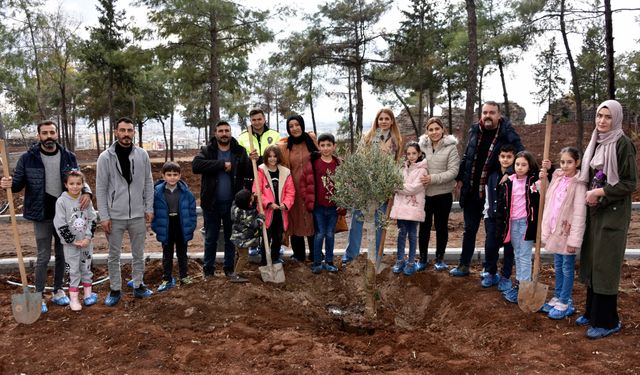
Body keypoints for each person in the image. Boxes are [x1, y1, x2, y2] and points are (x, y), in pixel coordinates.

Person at [1, 120, 92, 313]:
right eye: (45, 133)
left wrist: (87, 192)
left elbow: (79, 179)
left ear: (57, 134)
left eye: (52, 132)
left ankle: (59, 290)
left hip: (65, 215)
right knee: (43, 256)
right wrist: (7, 183)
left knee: (62, 255)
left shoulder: (68, 156)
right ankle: (39, 294)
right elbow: (17, 185)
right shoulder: (28, 158)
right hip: (41, 214)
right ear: (38, 135)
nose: (48, 136)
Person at [576, 100, 637, 339]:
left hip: (612, 214)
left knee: (606, 265)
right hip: (595, 211)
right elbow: (591, 175)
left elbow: (630, 183)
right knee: (592, 260)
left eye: (607, 117)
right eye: (599, 116)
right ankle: (592, 312)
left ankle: (608, 321)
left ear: (617, 119)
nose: (602, 121)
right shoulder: (597, 141)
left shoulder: (623, 144)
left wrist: (600, 192)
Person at [451, 101, 524, 277]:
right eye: (485, 112)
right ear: (480, 115)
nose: (488, 116)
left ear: (499, 115)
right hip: (472, 190)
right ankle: (464, 264)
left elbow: (521, 156)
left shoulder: (507, 133)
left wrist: (511, 172)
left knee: (493, 232)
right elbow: (468, 156)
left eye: (492, 112)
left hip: (493, 192)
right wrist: (460, 177)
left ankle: (490, 269)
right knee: (469, 229)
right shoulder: (475, 131)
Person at [97, 117, 155, 306]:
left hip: (138, 214)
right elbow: (101, 188)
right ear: (115, 132)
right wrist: (104, 216)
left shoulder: (142, 155)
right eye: (122, 130)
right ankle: (115, 289)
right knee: (114, 255)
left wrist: (149, 207)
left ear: (133, 133)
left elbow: (148, 182)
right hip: (114, 216)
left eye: (129, 130)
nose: (126, 134)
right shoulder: (105, 157)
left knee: (138, 253)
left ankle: (138, 285)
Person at [192, 120, 253, 281]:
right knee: (211, 237)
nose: (224, 133)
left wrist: (255, 160)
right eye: (221, 131)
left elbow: (248, 170)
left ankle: (228, 269)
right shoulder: (207, 150)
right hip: (211, 202)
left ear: (230, 132)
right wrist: (221, 164)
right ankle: (209, 271)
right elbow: (196, 166)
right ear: (215, 133)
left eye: (227, 130)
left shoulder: (240, 151)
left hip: (233, 203)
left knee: (229, 238)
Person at [342, 108, 403, 265]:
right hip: (365, 185)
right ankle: (351, 255)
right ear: (376, 121)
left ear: (392, 121)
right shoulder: (368, 138)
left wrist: (392, 184)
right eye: (380, 118)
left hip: (383, 188)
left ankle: (375, 257)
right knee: (357, 219)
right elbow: (359, 159)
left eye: (386, 118)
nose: (383, 121)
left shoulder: (396, 141)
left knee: (378, 222)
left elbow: (397, 164)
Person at [538, 147, 586, 319]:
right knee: (558, 265)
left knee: (567, 267)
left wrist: (574, 240)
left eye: (570, 162)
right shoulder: (558, 178)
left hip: (568, 233)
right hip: (555, 230)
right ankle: (557, 296)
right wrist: (543, 179)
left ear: (577, 163)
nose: (565, 166)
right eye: (563, 162)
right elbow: (547, 196)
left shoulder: (579, 184)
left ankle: (565, 301)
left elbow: (580, 214)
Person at [496, 151, 540, 303]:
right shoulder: (509, 181)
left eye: (524, 165)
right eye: (517, 164)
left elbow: (542, 191)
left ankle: (524, 288)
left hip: (526, 223)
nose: (520, 167)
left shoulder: (533, 182)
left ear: (530, 166)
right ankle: (520, 284)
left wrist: (547, 170)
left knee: (524, 256)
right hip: (512, 223)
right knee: (517, 254)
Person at [417, 117, 459, 271]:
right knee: (424, 227)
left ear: (443, 130)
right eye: (431, 129)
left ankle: (440, 258)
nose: (434, 132)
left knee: (441, 227)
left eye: (437, 129)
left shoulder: (451, 148)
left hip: (443, 195)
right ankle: (422, 258)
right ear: (427, 132)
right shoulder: (421, 147)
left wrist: (432, 178)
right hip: (424, 195)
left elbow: (453, 171)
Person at [53, 170, 97, 311]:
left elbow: (92, 218)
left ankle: (88, 295)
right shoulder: (62, 201)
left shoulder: (85, 200)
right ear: (66, 184)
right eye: (71, 183)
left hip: (85, 243)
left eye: (78, 183)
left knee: (86, 268)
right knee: (73, 270)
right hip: (70, 245)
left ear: (83, 184)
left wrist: (88, 237)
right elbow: (59, 223)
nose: (75, 186)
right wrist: (72, 240)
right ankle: (74, 299)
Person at [299, 133, 343, 274]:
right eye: (322, 145)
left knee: (330, 234)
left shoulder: (338, 164)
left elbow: (346, 184)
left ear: (334, 146)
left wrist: (342, 201)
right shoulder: (313, 163)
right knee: (319, 234)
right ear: (318, 146)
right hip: (318, 206)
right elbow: (303, 183)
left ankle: (329, 262)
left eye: (329, 145)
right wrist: (308, 199)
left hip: (333, 207)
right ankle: (317, 262)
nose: (325, 148)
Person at [277, 115, 319, 262]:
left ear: (302, 125)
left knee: (312, 220)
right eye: (291, 126)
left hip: (312, 189)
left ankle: (315, 254)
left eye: (297, 125)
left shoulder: (311, 140)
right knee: (295, 221)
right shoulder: (285, 146)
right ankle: (299, 255)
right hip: (293, 190)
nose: (294, 128)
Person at [151, 162, 197, 292]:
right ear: (163, 176)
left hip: (181, 226)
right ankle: (167, 279)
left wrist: (191, 226)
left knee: (182, 254)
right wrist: (156, 227)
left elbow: (192, 212)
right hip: (166, 226)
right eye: (169, 174)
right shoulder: (157, 194)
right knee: (167, 254)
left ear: (180, 176)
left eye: (175, 174)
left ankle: (184, 277)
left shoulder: (187, 193)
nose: (172, 177)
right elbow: (153, 212)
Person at [480, 144, 516, 290]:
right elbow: (488, 197)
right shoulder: (492, 176)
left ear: (514, 158)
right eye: (503, 156)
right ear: (498, 158)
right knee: (490, 246)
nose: (506, 159)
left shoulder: (515, 177)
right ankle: (490, 272)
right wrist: (487, 215)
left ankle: (506, 276)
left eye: (509, 157)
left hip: (509, 220)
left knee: (509, 249)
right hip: (492, 217)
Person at [390, 142, 428, 276]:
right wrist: (399, 186)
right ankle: (400, 260)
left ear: (419, 154)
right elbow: (395, 182)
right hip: (401, 209)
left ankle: (411, 262)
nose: (411, 156)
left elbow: (414, 188)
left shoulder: (423, 170)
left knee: (412, 235)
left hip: (413, 208)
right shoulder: (402, 168)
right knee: (401, 234)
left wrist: (398, 187)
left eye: (414, 153)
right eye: (408, 153)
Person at [254, 145, 295, 266]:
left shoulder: (285, 172)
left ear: (278, 157)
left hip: (280, 212)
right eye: (270, 156)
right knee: (266, 237)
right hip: (267, 211)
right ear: (266, 157)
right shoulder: (260, 170)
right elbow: (257, 191)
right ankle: (264, 260)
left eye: (275, 156)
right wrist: (269, 203)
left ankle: (275, 257)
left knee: (278, 236)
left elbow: (290, 192)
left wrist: (285, 204)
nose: (272, 159)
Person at [230, 189, 264, 278]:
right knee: (244, 257)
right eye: (251, 197)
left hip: (236, 238)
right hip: (242, 240)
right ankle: (236, 275)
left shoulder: (235, 208)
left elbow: (246, 206)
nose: (252, 196)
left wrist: (253, 200)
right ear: (248, 202)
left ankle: (236, 271)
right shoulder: (246, 215)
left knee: (239, 255)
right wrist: (261, 218)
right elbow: (255, 224)